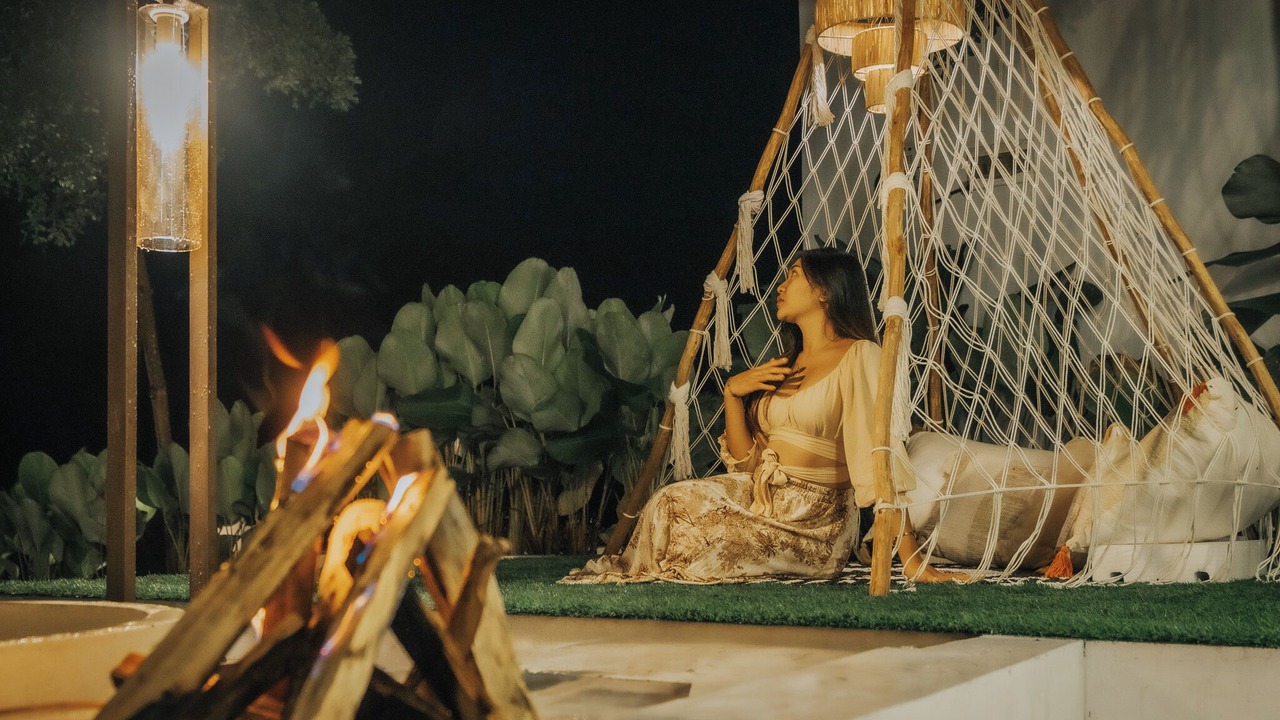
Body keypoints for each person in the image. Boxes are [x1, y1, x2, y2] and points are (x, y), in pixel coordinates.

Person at [561, 247, 890, 584]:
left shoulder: (859, 354)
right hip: (761, 498)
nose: (780, 286)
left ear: (825, 290)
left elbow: (877, 454)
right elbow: (749, 465)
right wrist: (733, 393)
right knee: (667, 504)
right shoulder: (786, 364)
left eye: (793, 275)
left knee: (701, 546)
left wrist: (905, 551)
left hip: (815, 521)